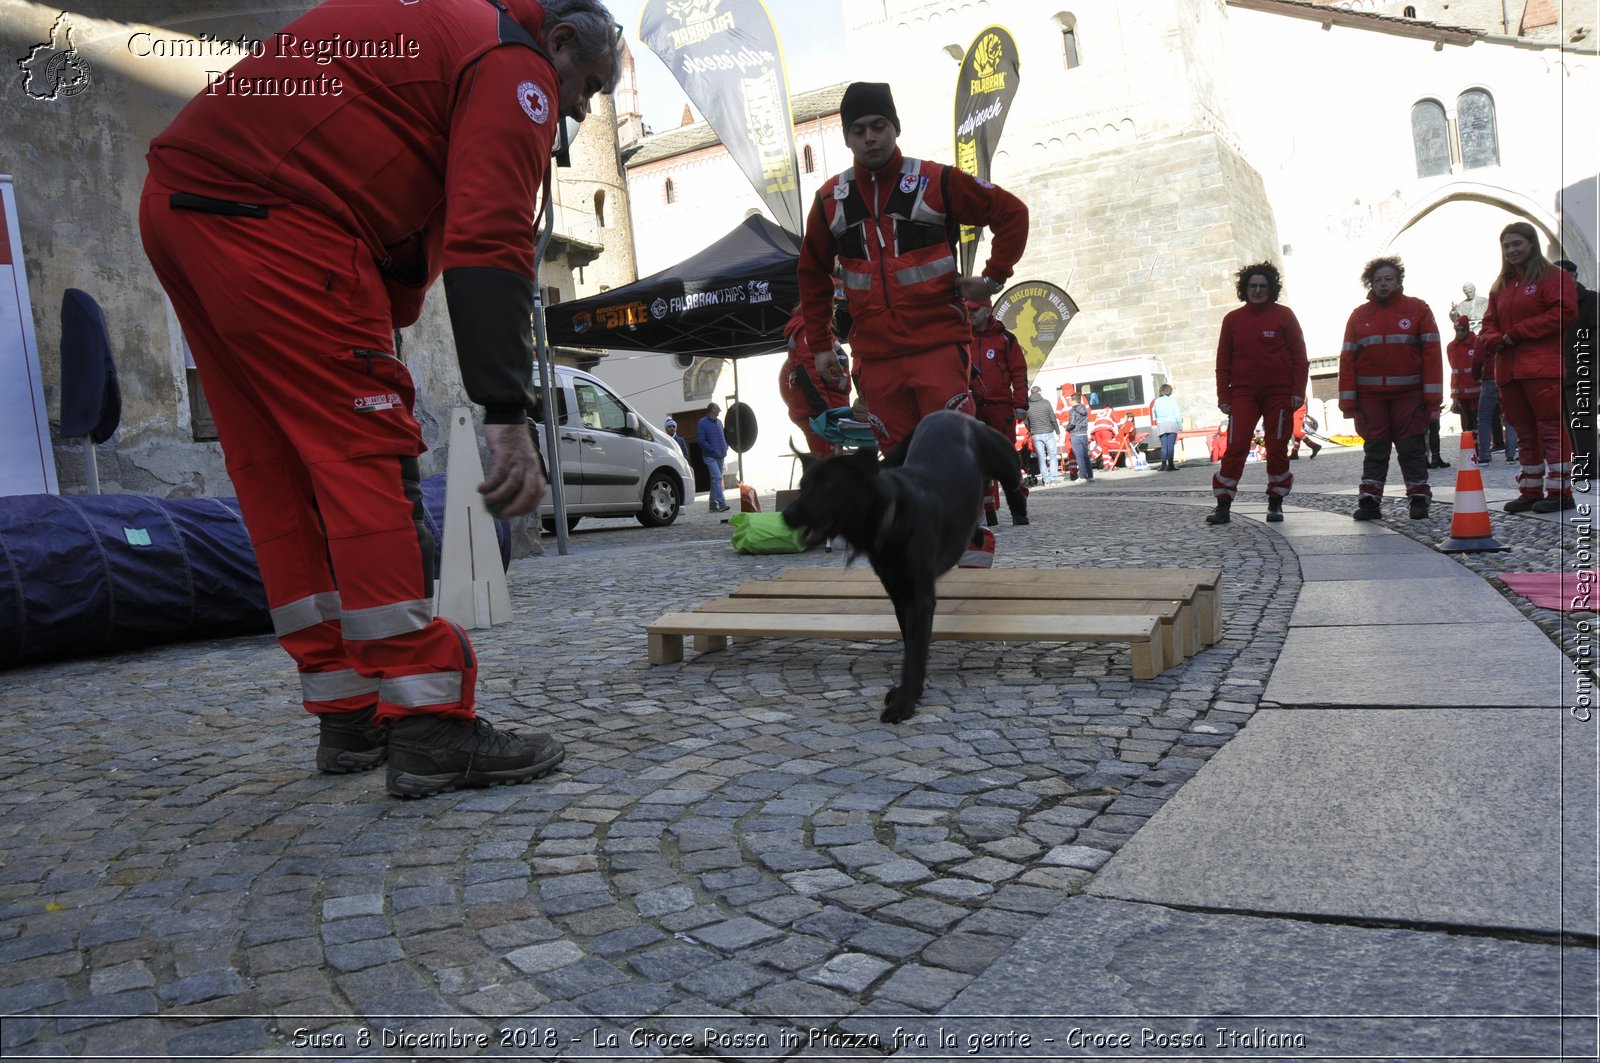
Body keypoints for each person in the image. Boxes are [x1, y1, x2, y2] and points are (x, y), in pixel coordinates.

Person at [139, 0, 621, 798]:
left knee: (277, 472)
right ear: (559, 41)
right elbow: (490, 236)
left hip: (188, 204)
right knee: (365, 459)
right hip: (282, 219)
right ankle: (428, 722)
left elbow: (401, 222)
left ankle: (348, 708)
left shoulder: (441, 35)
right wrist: (507, 412)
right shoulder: (513, 64)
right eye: (589, 85)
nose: (581, 107)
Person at [796, 81, 1029, 451]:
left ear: (895, 128)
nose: (870, 137)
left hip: (937, 347)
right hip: (876, 360)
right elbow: (811, 273)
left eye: (879, 126)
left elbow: (1011, 212)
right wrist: (822, 345)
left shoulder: (935, 180)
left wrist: (992, 278)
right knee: (901, 472)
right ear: (846, 138)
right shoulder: (829, 199)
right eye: (859, 130)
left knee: (950, 458)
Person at [1478, 223, 1579, 512]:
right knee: (1523, 431)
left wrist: (1518, 332)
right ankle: (1531, 489)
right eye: (1506, 245)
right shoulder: (1501, 286)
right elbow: (1488, 322)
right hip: (1508, 370)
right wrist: (1491, 338)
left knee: (1549, 429)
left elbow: (1564, 312)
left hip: (1540, 366)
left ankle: (1561, 492)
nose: (1511, 250)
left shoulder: (1554, 277)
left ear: (1531, 244)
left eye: (1516, 244)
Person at [1338, 256, 1444, 521]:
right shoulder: (1359, 316)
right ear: (1370, 284)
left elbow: (1432, 355)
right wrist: (1348, 402)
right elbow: (1348, 359)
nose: (1383, 284)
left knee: (1411, 448)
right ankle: (1370, 500)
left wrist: (1433, 399)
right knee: (1375, 448)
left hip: (1409, 395)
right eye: (1378, 280)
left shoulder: (1417, 309)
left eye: (1389, 279)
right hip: (1371, 397)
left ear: (1399, 281)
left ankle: (1418, 497)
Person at [1208, 262, 1308, 525]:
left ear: (1271, 288)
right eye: (1253, 286)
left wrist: (1298, 391)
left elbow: (1299, 357)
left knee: (1276, 448)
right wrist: (1223, 396)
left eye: (1263, 286)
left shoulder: (1284, 316)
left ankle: (1276, 501)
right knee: (1236, 446)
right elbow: (1223, 361)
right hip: (1243, 394)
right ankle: (1223, 504)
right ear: (1245, 288)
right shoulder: (1232, 320)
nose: (1258, 290)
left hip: (1279, 394)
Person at [967, 297, 1029, 521]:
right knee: (976, 461)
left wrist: (1021, 404)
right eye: (967, 310)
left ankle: (1018, 511)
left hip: (1001, 407)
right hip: (972, 408)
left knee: (1007, 459)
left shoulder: (1006, 339)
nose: (970, 314)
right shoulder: (962, 338)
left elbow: (1019, 372)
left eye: (974, 310)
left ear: (987, 311)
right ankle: (988, 513)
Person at [779, 306, 850, 457]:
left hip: (824, 412)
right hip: (821, 413)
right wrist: (826, 412)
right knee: (830, 468)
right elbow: (808, 371)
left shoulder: (812, 327)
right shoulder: (808, 328)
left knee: (830, 466)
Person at [1555, 260, 1599, 461]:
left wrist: (1577, 351)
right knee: (1566, 422)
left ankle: (1591, 468)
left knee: (1582, 421)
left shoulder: (1591, 300)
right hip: (1559, 371)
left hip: (1584, 370)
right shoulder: (1553, 304)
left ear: (1574, 277)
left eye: (1567, 276)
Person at [1446, 316, 1481, 457]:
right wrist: (1454, 396)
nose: (1459, 333)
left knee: (1476, 424)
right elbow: (1454, 370)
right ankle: (1469, 451)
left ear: (1467, 330)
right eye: (1457, 330)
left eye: (1462, 330)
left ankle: (1479, 451)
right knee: (1466, 425)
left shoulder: (1476, 343)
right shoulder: (1451, 347)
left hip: (1476, 392)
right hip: (1461, 393)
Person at [695, 402, 731, 512]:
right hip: (710, 456)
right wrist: (712, 450)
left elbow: (724, 437)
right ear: (711, 410)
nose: (719, 409)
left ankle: (712, 504)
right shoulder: (702, 423)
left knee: (715, 481)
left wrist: (725, 447)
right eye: (717, 407)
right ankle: (722, 503)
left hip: (720, 456)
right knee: (717, 478)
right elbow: (701, 441)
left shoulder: (719, 422)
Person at [1024, 384, 1062, 485]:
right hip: (1048, 433)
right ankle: (1053, 479)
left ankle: (1046, 480)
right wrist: (1058, 431)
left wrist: (1031, 429)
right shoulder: (1046, 403)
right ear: (1039, 392)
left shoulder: (1027, 405)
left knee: (1041, 457)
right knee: (1053, 455)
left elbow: (1025, 421)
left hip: (1036, 434)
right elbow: (1052, 418)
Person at [1151, 383, 1182, 471]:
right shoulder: (1172, 401)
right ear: (1169, 391)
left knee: (1164, 445)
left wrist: (1158, 420)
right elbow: (1177, 414)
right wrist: (1180, 425)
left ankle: (1163, 465)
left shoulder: (1157, 401)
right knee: (1171, 446)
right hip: (1172, 424)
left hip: (1161, 424)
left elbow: (1154, 414)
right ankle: (1171, 465)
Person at [1065, 393, 1094, 483]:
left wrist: (1067, 428)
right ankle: (1090, 476)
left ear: (1074, 401)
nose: (1069, 402)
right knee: (1086, 456)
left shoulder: (1073, 410)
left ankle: (1082, 476)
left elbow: (1072, 423)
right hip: (1084, 434)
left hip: (1076, 435)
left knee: (1079, 457)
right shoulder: (1084, 408)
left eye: (1070, 400)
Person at [1089, 403, 1118, 470]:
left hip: (1096, 432)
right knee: (1105, 447)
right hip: (1105, 431)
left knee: (1103, 448)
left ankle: (1111, 465)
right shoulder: (1111, 411)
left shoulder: (1100, 412)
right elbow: (1118, 422)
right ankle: (1105, 464)